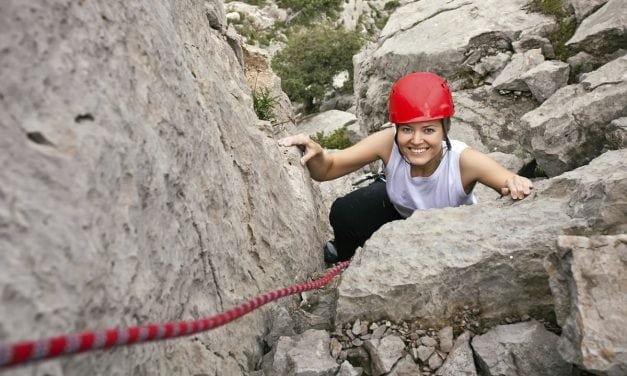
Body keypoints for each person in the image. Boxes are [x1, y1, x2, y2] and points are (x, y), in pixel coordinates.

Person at [278, 72, 533, 263]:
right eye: (407, 129)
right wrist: (316, 152)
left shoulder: (463, 161)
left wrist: (514, 182)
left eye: (429, 130)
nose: (417, 140)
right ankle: (346, 259)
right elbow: (327, 169)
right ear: (396, 129)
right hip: (398, 211)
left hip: (446, 234)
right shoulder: (388, 142)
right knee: (345, 211)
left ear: (445, 129)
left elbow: (507, 179)